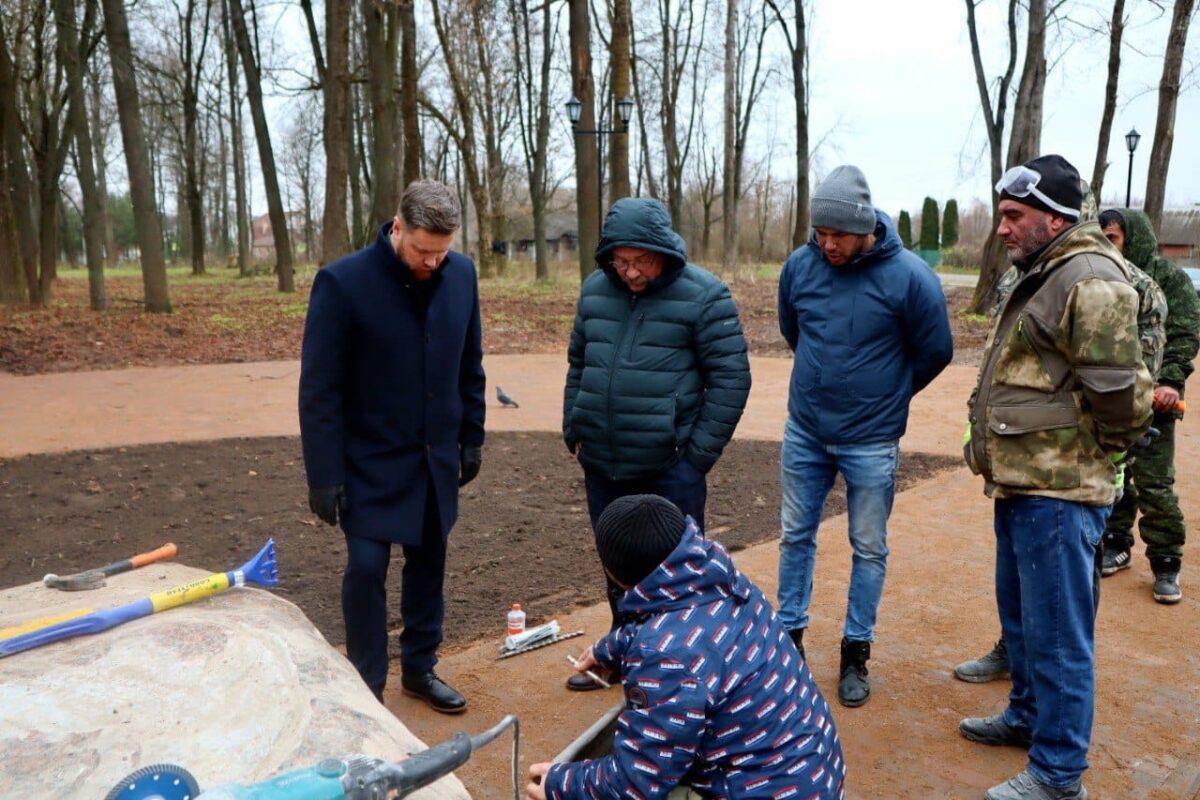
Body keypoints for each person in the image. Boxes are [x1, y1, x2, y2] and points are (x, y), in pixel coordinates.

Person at [961, 154, 1153, 800]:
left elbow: (1119, 395)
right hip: (1024, 482)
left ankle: (1058, 774)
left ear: (1053, 216)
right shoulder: (1048, 269)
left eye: (1014, 217)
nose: (1003, 229)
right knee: (1023, 622)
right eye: (1003, 216)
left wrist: (1099, 456)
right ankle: (1025, 717)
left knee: (1059, 637)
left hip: (1061, 490)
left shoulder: (1089, 276)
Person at [298, 179, 486, 713]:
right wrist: (323, 474)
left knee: (430, 564)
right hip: (368, 461)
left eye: (442, 252)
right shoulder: (342, 283)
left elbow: (469, 367)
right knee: (365, 568)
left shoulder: (463, 275)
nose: (432, 262)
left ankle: (420, 668)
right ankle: (367, 685)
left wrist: (472, 435)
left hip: (434, 458)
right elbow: (320, 388)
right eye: (423, 250)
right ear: (397, 226)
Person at [524, 494, 846, 800]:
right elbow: (679, 628)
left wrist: (559, 784)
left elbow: (635, 784)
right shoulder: (722, 581)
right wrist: (611, 648)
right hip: (813, 771)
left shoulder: (663, 657)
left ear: (614, 573)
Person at [776, 164, 953, 707]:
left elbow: (936, 351)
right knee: (795, 537)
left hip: (871, 440)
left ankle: (856, 650)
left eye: (839, 236)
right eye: (820, 233)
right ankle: (789, 644)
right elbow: (793, 331)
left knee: (868, 547)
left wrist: (890, 394)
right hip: (805, 430)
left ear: (866, 227)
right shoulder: (800, 267)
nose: (827, 244)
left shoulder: (910, 277)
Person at [562, 197, 751, 689]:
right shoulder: (594, 291)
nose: (630, 272)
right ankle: (623, 658)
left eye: (640, 260)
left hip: (670, 468)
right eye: (620, 261)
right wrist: (574, 428)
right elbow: (579, 363)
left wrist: (696, 459)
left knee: (679, 574)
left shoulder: (706, 297)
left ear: (661, 250)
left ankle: (684, 671)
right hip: (603, 463)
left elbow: (731, 379)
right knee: (618, 568)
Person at [1097, 208, 1199, 603]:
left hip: (1156, 400)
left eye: (1113, 237)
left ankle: (1166, 562)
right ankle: (1116, 542)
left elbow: (1185, 331)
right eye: (1103, 237)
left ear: (1132, 237)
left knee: (1155, 484)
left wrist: (1171, 380)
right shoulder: (1102, 276)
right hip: (1115, 399)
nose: (1107, 245)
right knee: (1115, 477)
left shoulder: (1168, 279)